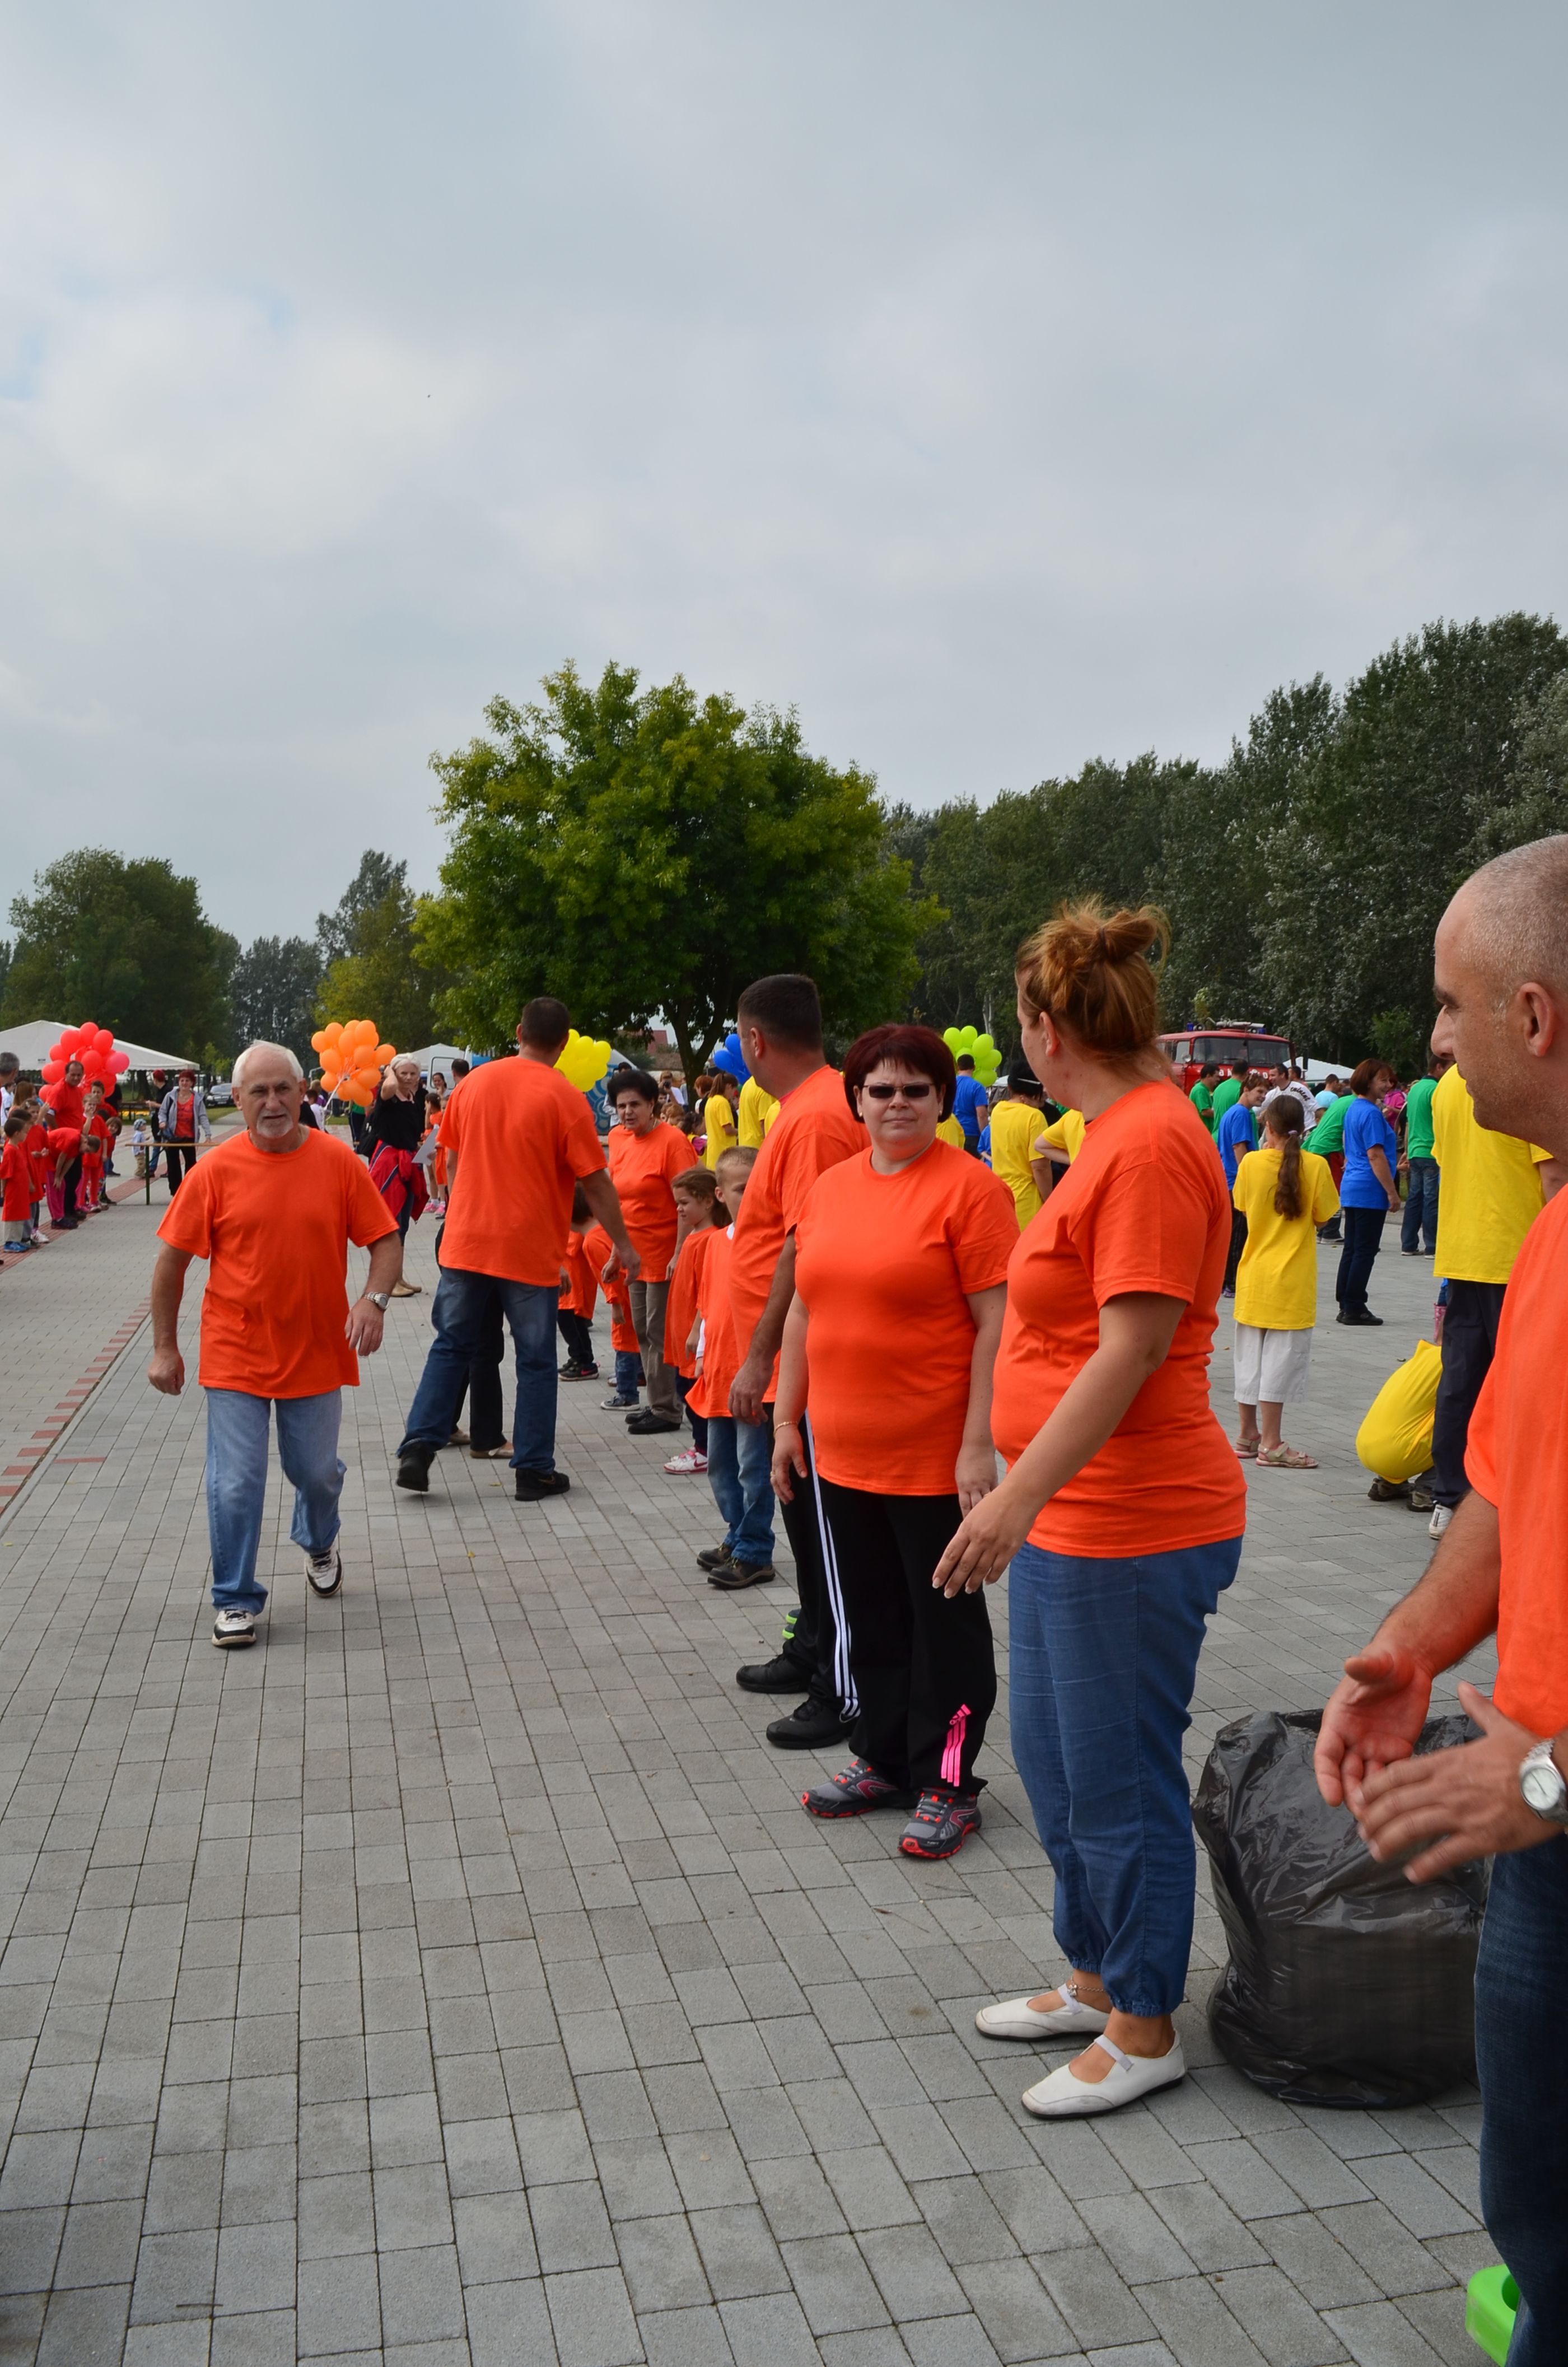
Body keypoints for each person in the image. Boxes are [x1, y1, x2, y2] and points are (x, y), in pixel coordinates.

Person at [1313, 837, 1568, 2365]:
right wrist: (1410, 1647)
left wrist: (1541, 1775)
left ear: (1535, 1014)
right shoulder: (1554, 1226)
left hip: (1539, 1795)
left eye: (1452, 1004)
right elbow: (1506, 1489)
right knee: (1539, 2224)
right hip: (1535, 1831)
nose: (1435, 1039)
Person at [938, 902, 1244, 2119]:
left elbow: (1132, 1347)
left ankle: (1145, 2021)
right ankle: (1097, 1973)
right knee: (1059, 1765)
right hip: (1078, 1515)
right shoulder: (1115, 1133)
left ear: (1044, 1027)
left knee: (1115, 1776)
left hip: (1136, 1516)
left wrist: (1012, 1495)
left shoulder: (1152, 1142)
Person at [774, 1026, 1016, 1858]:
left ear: (944, 1100)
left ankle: (948, 1780)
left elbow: (996, 1324)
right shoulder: (830, 1187)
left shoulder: (971, 1191)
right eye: (881, 1089)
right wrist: (785, 1420)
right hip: (841, 1454)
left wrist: (977, 1445)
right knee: (872, 1619)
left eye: (917, 1089)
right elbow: (804, 1308)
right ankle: (882, 1759)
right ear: (857, 1100)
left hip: (933, 1460)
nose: (898, 1103)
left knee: (945, 1631)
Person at [148, 1042, 402, 1648]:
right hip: (235, 1351)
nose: (272, 1102)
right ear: (238, 1099)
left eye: (283, 1088)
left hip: (316, 1349)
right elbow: (171, 1264)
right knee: (236, 1481)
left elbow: (385, 1241)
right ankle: (235, 1599)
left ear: (302, 1093)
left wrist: (373, 1300)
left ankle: (318, 1539)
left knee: (314, 1472)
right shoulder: (214, 1171)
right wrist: (165, 1347)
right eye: (258, 1092)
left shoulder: (338, 1162)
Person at [395, 998, 638, 1502]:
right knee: (535, 1360)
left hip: (466, 1241)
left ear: (518, 1031)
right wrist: (624, 1245)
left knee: (451, 1346)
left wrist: (459, 1212)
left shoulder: (473, 1084)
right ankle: (533, 1470)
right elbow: (596, 1182)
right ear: (564, 1043)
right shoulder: (566, 1097)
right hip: (529, 1249)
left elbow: (451, 1159)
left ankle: (419, 1446)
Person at [727, 974, 864, 1747]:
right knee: (803, 1521)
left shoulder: (814, 1117)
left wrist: (761, 1355)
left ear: (756, 1040)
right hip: (791, 1360)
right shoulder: (805, 1107)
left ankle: (836, 1682)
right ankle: (814, 1644)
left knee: (820, 1532)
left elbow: (804, 1248)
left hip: (803, 1361)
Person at [1424, 1054, 1561, 1540]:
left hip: (1463, 1252)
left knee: (1460, 1381)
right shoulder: (1524, 1077)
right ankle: (1517, 1495)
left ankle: (1449, 1497)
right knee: (1524, 1382)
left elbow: (1448, 1160)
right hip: (1519, 1251)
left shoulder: (1447, 1085)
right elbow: (1553, 1177)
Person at [1230, 1095, 1338, 1467]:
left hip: (1254, 1276)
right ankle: (1272, 1442)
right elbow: (1323, 1217)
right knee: (1280, 1362)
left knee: (1248, 1358)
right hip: (1292, 1281)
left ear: (1269, 1127)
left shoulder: (1251, 1163)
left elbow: (1243, 1208)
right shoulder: (1317, 1166)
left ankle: (1247, 1434)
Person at [691, 1149, 776, 1586]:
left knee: (752, 1467)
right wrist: (700, 1346)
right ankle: (735, 1532)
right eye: (742, 1189)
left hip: (753, 1378)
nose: (752, 1195)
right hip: (719, 1372)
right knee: (720, 1466)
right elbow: (709, 1303)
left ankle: (755, 1549)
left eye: (758, 1186)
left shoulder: (773, 1245)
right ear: (721, 1194)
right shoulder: (713, 1244)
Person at [605, 1068, 693, 1437]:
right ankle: (658, 1400)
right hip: (634, 1256)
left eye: (635, 1105)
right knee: (641, 1330)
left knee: (658, 1333)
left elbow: (689, 1203)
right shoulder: (618, 1139)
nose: (627, 1112)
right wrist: (616, 1253)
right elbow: (619, 1204)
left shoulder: (672, 1142)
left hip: (664, 1254)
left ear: (653, 1104)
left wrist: (680, 1253)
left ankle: (667, 1409)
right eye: (621, 1106)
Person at [661, 1166, 722, 1475]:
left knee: (693, 1391)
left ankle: (704, 1449)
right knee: (684, 1387)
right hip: (682, 1331)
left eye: (684, 1203)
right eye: (677, 1203)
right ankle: (703, 1447)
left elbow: (708, 1290)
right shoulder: (695, 1237)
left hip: (693, 1335)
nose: (679, 1209)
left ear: (708, 1201)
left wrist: (697, 1329)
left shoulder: (709, 1240)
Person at [1333, 1058, 1401, 1326]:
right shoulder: (1372, 1113)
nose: (1388, 1085)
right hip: (1369, 1189)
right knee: (1365, 1250)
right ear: (1368, 1081)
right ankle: (1355, 1305)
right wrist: (1392, 1192)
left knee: (1352, 1248)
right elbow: (1375, 1155)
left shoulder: (1353, 1108)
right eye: (1382, 1080)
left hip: (1353, 1185)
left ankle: (1345, 1301)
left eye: (1389, 1080)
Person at [365, 1054, 428, 1293]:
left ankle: (398, 1278)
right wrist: (390, 1070)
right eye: (404, 1073)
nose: (409, 1078)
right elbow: (390, 1086)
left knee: (402, 1226)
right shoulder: (388, 1096)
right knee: (391, 1225)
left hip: (408, 1162)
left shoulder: (414, 1099)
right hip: (389, 1165)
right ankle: (388, 1282)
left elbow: (410, 1133)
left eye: (413, 1073)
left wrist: (424, 1149)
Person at [1216, 1075, 1267, 1295]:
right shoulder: (1241, 1114)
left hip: (1229, 1178)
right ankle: (1232, 1282)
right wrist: (1249, 1176)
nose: (1263, 1097)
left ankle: (1224, 1280)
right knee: (1239, 1233)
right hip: (1236, 1180)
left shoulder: (1233, 1112)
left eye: (1265, 1093)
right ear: (1246, 1090)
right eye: (1259, 1092)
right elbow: (1239, 1147)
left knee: (1232, 1233)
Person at [1399, 1050, 1448, 1257]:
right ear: (1439, 1067)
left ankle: (1408, 1243)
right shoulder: (1436, 1090)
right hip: (1431, 1151)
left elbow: (1408, 1123)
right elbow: (1441, 1122)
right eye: (1448, 1068)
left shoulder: (1415, 1090)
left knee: (1414, 1198)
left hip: (1415, 1150)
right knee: (1431, 1199)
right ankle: (1432, 1245)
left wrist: (1407, 1149)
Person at [987, 1067, 1047, 1227]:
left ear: (1009, 1087)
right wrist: (1049, 1199)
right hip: (1027, 1200)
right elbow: (1040, 1167)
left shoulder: (998, 1110)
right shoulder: (1035, 1117)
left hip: (1001, 1197)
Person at [1305, 1075, 1355, 1240]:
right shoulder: (1356, 1104)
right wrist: (1349, 1156)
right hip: (1330, 1149)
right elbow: (1347, 1132)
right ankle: (1331, 1232)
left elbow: (1323, 1127)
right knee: (1335, 1191)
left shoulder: (1342, 1101)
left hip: (1317, 1146)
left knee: (1323, 1190)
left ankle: (1322, 1231)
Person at [158, 1068, 211, 1194]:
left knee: (191, 1165)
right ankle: (176, 1192)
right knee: (173, 1166)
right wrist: (162, 1122)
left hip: (189, 1137)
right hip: (172, 1137)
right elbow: (162, 1112)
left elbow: (203, 1117)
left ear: (192, 1083)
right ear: (179, 1082)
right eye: (182, 1080)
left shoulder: (197, 1099)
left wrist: (208, 1135)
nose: (184, 1083)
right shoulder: (170, 1096)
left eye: (187, 1081)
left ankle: (189, 1191)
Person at [2, 1113, 33, 1252]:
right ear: (16, 1134)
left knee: (20, 1214)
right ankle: (10, 1241)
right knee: (12, 1215)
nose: (26, 1135)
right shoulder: (9, 1151)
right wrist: (3, 1189)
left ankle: (17, 1239)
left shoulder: (17, 1148)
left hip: (20, 1189)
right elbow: (5, 1173)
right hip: (13, 1189)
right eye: (24, 1132)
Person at [951, 1053, 990, 1154]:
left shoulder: (949, 1085)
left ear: (958, 1067)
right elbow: (982, 1115)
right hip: (971, 1134)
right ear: (974, 1067)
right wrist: (985, 1137)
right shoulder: (977, 1087)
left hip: (952, 1132)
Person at [701, 1072, 739, 1171]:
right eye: (734, 1090)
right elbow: (728, 1130)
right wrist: (740, 1131)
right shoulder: (722, 1102)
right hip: (724, 1152)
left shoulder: (710, 1101)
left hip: (713, 1151)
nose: (733, 1094)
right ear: (729, 1086)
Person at [737, 1072, 780, 1148]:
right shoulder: (765, 1089)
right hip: (758, 1146)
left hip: (745, 1144)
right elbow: (764, 1123)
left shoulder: (748, 1085)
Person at [1209, 1064, 1244, 1131]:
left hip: (1217, 1133)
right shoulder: (1243, 1089)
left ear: (1232, 1071)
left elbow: (1215, 1110)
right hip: (1231, 1134)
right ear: (1247, 1073)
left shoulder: (1219, 1088)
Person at [1187, 1061, 1220, 1133]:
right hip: (1200, 1132)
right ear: (1208, 1076)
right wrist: (1222, 1114)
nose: (1218, 1079)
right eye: (1216, 1077)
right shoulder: (1200, 1090)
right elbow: (1205, 1112)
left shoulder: (1205, 1090)